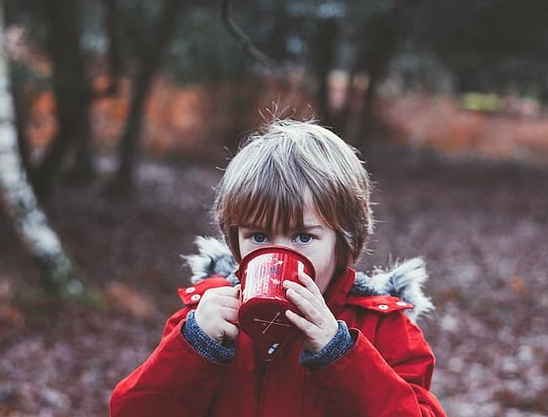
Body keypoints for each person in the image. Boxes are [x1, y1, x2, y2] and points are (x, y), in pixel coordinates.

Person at [110, 119, 446, 416]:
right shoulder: (205, 319)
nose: (277, 253)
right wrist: (195, 345)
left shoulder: (383, 329)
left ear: (343, 241)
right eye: (258, 235)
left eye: (302, 236)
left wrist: (340, 353)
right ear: (234, 240)